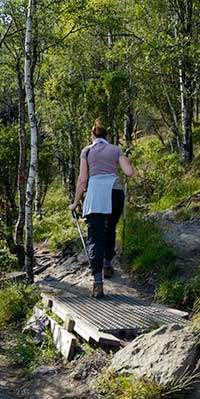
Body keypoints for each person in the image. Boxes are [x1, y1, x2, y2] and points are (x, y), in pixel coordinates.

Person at [70, 122, 134, 298]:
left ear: (92, 137)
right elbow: (128, 172)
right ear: (107, 137)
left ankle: (97, 282)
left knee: (95, 237)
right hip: (115, 193)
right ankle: (107, 263)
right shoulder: (115, 150)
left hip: (96, 195)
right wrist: (126, 160)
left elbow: (83, 179)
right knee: (110, 228)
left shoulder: (87, 151)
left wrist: (75, 203)